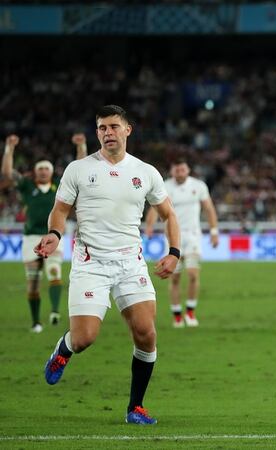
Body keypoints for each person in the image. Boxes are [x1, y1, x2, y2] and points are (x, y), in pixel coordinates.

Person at [38, 105, 181, 425]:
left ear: (128, 130)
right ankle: (64, 348)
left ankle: (136, 408)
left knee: (146, 334)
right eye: (102, 128)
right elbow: (60, 210)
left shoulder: (145, 172)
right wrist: (54, 234)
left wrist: (174, 252)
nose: (108, 133)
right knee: (85, 337)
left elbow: (170, 214)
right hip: (91, 263)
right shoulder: (78, 169)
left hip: (131, 262)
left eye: (114, 126)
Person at [1, 133, 88, 332]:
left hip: (54, 236)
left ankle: (55, 312)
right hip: (31, 237)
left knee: (55, 272)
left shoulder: (59, 185)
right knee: (32, 282)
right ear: (35, 171)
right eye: (39, 169)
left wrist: (81, 146)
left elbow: (80, 169)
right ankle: (35, 322)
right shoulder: (27, 185)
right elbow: (7, 173)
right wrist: (9, 148)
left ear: (51, 172)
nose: (42, 172)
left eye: (46, 169)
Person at [145, 160, 219, 327]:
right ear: (172, 171)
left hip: (193, 235)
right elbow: (154, 209)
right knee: (175, 277)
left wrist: (214, 231)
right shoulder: (164, 186)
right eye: (176, 169)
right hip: (172, 236)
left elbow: (209, 208)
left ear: (188, 170)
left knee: (193, 274)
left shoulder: (199, 186)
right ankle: (177, 314)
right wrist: (149, 226)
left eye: (182, 169)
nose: (180, 172)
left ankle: (190, 312)